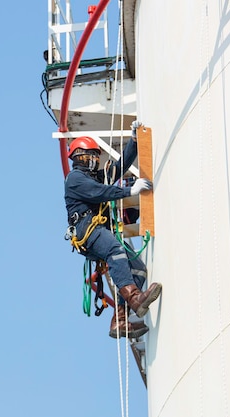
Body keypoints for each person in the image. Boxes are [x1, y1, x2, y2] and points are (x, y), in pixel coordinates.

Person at [64, 121, 162, 338]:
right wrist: (129, 190)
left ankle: (119, 319)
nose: (95, 160)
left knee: (138, 269)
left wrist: (134, 141)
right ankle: (135, 298)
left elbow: (119, 167)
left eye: (95, 156)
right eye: (91, 156)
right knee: (116, 251)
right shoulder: (75, 179)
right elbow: (100, 192)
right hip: (87, 229)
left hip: (100, 230)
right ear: (80, 156)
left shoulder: (96, 176)